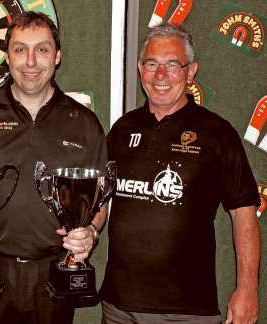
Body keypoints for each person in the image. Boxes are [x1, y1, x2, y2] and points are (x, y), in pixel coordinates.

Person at [0, 11, 107, 324]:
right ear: (7, 58)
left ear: (57, 56)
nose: (31, 62)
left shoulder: (84, 124)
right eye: (20, 49)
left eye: (42, 49)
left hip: (52, 277)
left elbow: (100, 198)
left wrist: (91, 230)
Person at [101, 23, 261, 324]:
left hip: (187, 312)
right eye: (152, 64)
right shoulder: (122, 130)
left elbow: (244, 214)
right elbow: (97, 201)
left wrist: (247, 290)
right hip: (119, 307)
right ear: (140, 69)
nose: (160, 76)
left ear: (191, 72)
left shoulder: (217, 134)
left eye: (172, 65)